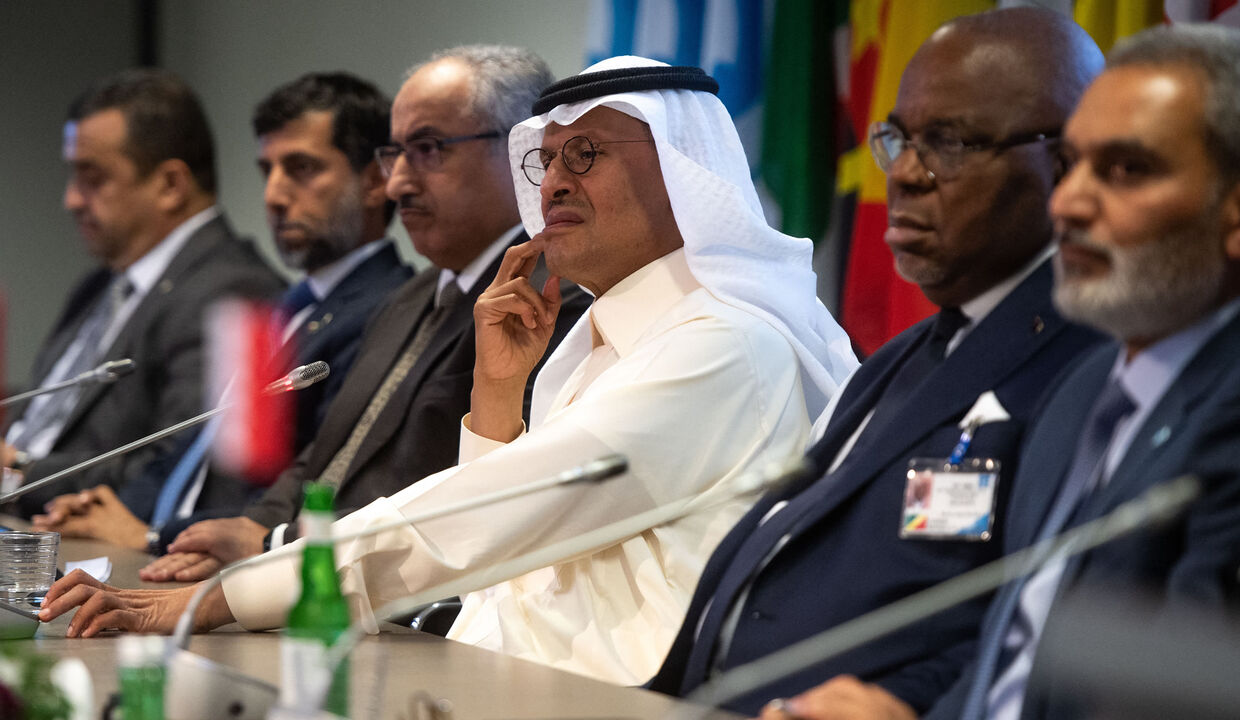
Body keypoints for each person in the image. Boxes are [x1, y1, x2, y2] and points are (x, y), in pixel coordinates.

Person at [40, 55, 856, 687]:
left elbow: (488, 514)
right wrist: (497, 399)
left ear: (687, 174)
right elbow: (510, 545)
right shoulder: (604, 335)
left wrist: (218, 600)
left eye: (589, 154)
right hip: (491, 668)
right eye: (550, 157)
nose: (558, 180)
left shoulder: (725, 344)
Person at [647, 8, 1106, 717]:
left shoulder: (1092, 361)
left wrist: (904, 707)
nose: (907, 176)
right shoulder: (903, 357)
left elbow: (1046, 628)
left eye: (949, 143)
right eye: (899, 139)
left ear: (1066, 162)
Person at [910, 23, 1240, 720]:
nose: (1068, 204)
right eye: (1071, 165)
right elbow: (1010, 661)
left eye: (1125, 170)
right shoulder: (1083, 390)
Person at [126, 45, 588, 580]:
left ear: (519, 152)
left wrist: (275, 541)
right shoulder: (411, 296)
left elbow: (449, 494)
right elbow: (320, 459)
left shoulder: (548, 301)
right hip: (306, 575)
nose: (397, 184)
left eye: (429, 148)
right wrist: (239, 537)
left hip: (402, 606)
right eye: (395, 155)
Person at [29, 71, 415, 551]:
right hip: (172, 546)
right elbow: (198, 448)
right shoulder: (291, 304)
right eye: (266, 170)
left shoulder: (390, 310)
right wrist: (110, 508)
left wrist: (151, 535)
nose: (273, 195)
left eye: (301, 168)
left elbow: (307, 484)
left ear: (377, 180)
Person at [2, 69, 283, 518]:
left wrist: (17, 470)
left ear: (170, 185)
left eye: (92, 178)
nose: (72, 199)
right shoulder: (100, 283)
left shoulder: (231, 291)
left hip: (83, 548)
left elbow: (173, 468)